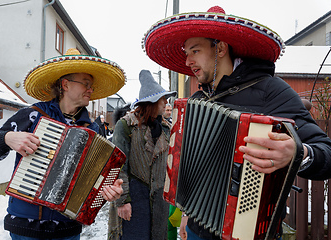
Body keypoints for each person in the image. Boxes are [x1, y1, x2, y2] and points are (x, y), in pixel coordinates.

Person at [142, 6, 331, 240]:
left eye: (195, 50)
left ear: (219, 48)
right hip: (198, 228)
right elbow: (194, 167)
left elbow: (326, 153)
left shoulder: (270, 90)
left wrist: (299, 154)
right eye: (186, 52)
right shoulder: (197, 101)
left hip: (250, 231)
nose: (187, 60)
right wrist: (187, 214)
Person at [0, 48, 126, 240]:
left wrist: (107, 191)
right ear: (65, 84)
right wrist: (7, 137)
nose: (91, 90)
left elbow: (93, 182)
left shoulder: (92, 129)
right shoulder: (33, 115)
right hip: (26, 227)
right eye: (86, 84)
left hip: (68, 229)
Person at [107, 69, 177, 240]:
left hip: (159, 201)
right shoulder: (126, 126)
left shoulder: (167, 129)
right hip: (134, 199)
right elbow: (117, 165)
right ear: (152, 101)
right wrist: (123, 201)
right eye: (163, 99)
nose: (166, 102)